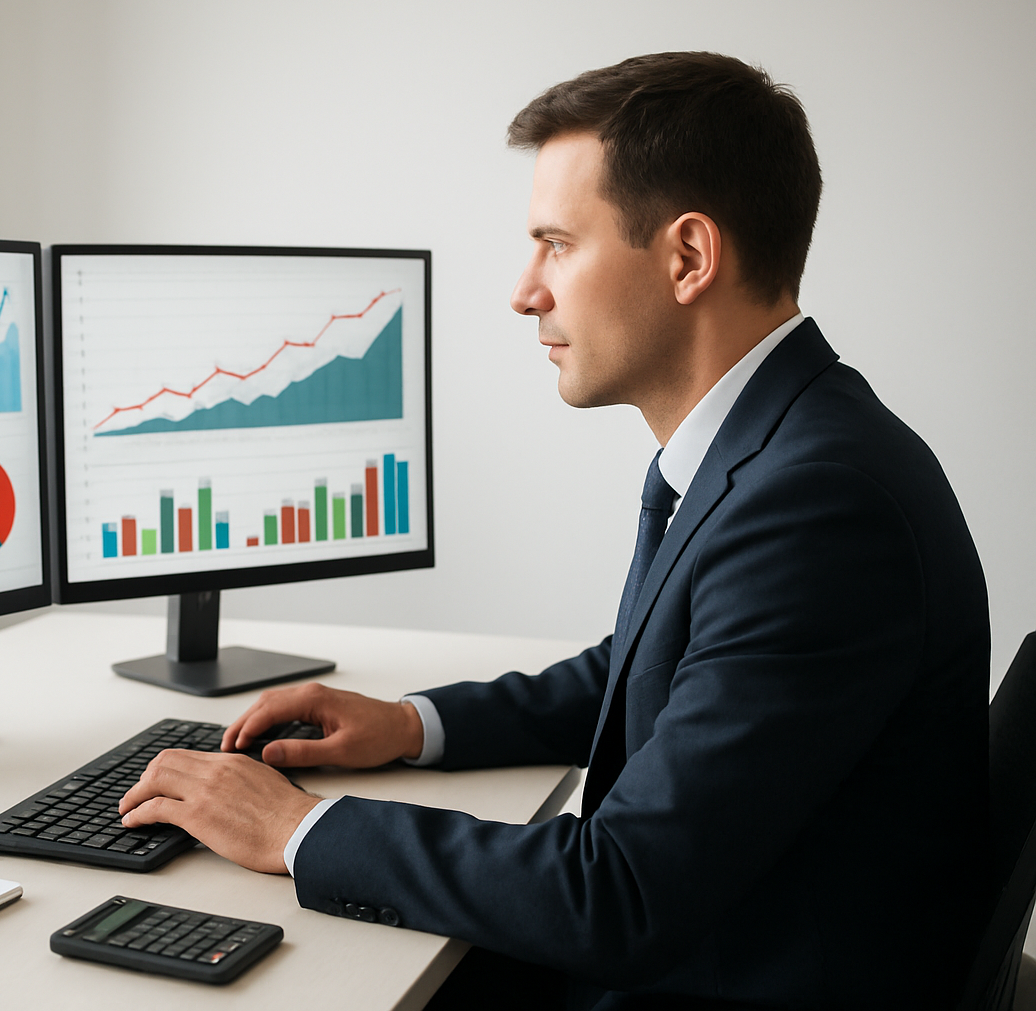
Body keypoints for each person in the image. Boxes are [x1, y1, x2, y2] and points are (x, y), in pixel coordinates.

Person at [118, 52, 990, 1010]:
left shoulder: (818, 504)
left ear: (688, 258)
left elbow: (617, 893)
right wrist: (413, 724)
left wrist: (299, 832)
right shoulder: (785, 443)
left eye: (557, 244)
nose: (525, 290)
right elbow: (655, 667)